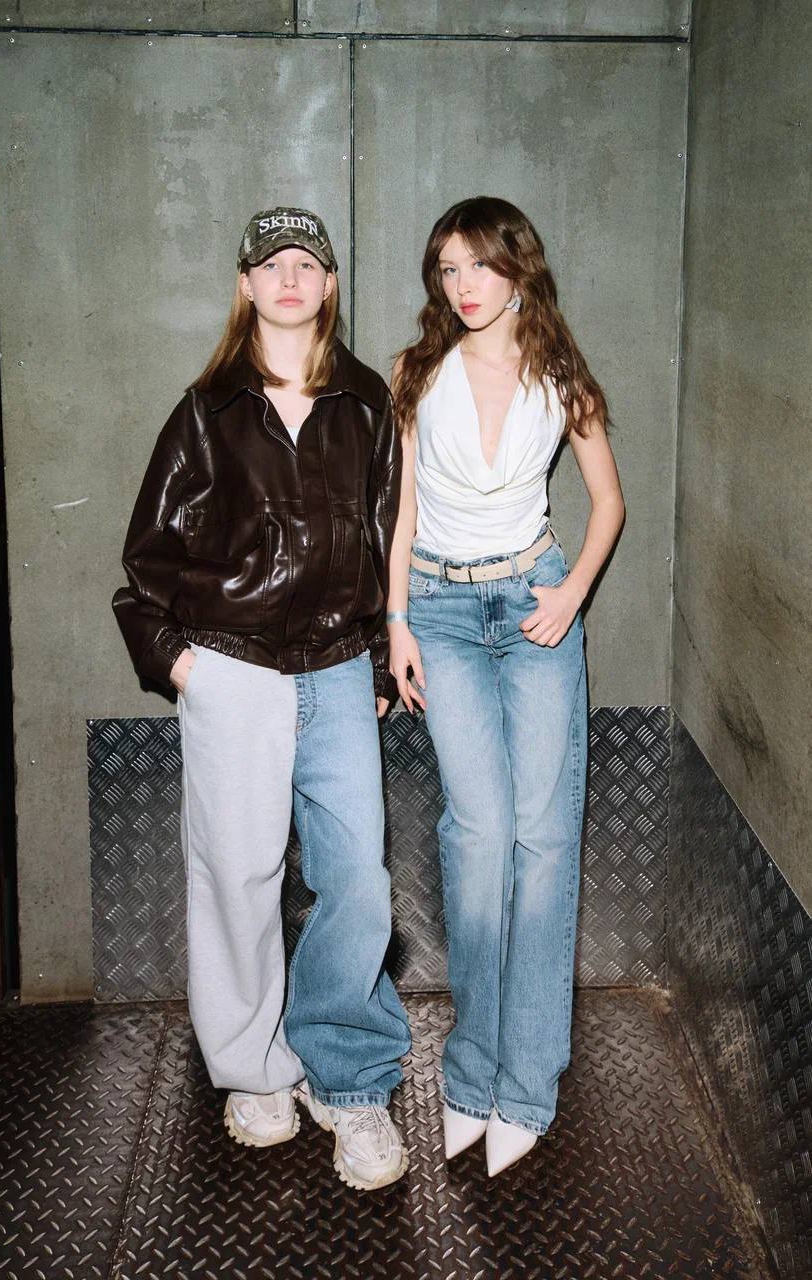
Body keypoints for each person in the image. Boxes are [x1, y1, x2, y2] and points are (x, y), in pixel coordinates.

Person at [113, 206, 411, 1192]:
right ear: (245, 285)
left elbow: (384, 541)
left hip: (337, 667)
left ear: (328, 285)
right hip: (232, 668)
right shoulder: (207, 410)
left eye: (306, 263)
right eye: (270, 263)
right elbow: (145, 561)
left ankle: (348, 1080)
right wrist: (181, 664)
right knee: (237, 875)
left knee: (356, 878)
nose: (289, 277)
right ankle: (253, 1071)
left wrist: (377, 663)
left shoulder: (365, 402)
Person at [388, 196, 625, 1177]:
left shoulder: (561, 372)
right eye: (447, 269)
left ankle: (526, 1084)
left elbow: (606, 501)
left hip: (533, 608)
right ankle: (470, 1073)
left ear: (518, 267)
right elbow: (399, 509)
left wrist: (571, 592)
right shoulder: (415, 371)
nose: (463, 285)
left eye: (479, 265)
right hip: (439, 610)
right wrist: (394, 619)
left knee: (541, 836)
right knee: (476, 837)